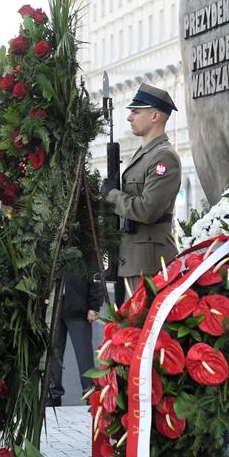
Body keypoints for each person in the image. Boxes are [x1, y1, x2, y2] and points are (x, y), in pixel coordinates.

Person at [101, 83, 181, 306]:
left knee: (144, 333)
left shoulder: (163, 158)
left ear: (155, 115)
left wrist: (112, 195)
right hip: (131, 260)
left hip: (149, 264)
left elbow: (148, 210)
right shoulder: (145, 154)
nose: (129, 117)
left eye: (136, 111)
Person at [47, 265, 103, 407]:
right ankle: (53, 395)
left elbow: (96, 276)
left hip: (79, 309)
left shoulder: (84, 247)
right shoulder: (49, 245)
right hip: (52, 308)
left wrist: (94, 306)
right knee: (53, 353)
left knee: (84, 355)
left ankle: (90, 393)